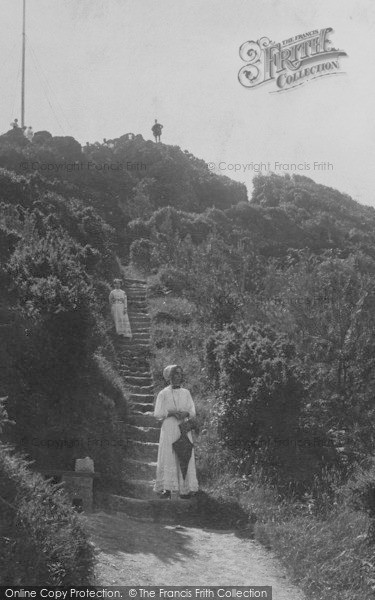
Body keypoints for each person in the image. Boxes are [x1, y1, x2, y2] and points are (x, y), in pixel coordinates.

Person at [154, 365, 199, 498]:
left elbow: (192, 411)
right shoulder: (163, 393)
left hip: (183, 427)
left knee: (185, 453)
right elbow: (157, 413)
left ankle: (185, 489)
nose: (178, 376)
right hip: (169, 427)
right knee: (169, 453)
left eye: (180, 374)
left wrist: (185, 413)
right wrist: (171, 413)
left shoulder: (186, 393)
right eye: (175, 374)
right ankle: (166, 488)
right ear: (169, 377)